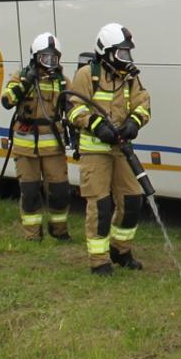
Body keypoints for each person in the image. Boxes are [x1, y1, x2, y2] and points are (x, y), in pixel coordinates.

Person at [66, 23, 152, 275]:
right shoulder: (86, 75)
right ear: (106, 52)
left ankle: (120, 249)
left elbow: (143, 104)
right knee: (101, 207)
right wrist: (94, 124)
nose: (126, 59)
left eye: (128, 53)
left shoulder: (130, 77)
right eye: (121, 53)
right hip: (94, 152)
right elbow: (73, 108)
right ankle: (99, 261)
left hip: (121, 149)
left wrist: (134, 123)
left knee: (133, 200)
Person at [0, 32, 72, 240]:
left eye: (54, 58)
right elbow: (7, 101)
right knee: (29, 193)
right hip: (25, 147)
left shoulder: (63, 82)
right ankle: (32, 235)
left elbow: (74, 109)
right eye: (45, 58)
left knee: (59, 191)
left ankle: (59, 231)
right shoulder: (21, 77)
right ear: (35, 57)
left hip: (53, 147)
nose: (50, 63)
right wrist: (25, 84)